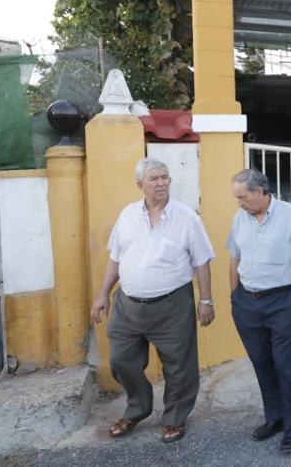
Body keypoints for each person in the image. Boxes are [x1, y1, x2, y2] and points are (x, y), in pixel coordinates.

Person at [90, 157, 216, 444]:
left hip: (173, 306)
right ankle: (138, 408)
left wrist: (206, 301)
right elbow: (115, 258)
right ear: (140, 185)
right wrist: (103, 295)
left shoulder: (187, 218)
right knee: (121, 360)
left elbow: (202, 261)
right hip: (127, 305)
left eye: (164, 177)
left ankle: (175, 417)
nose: (161, 183)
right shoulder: (127, 215)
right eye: (154, 179)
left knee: (179, 366)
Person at [228, 168, 291, 456]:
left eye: (242, 197)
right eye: (236, 198)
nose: (239, 203)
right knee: (262, 364)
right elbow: (234, 257)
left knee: (287, 367)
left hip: (281, 302)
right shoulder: (239, 218)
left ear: (260, 192)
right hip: (247, 303)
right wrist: (234, 296)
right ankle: (274, 419)